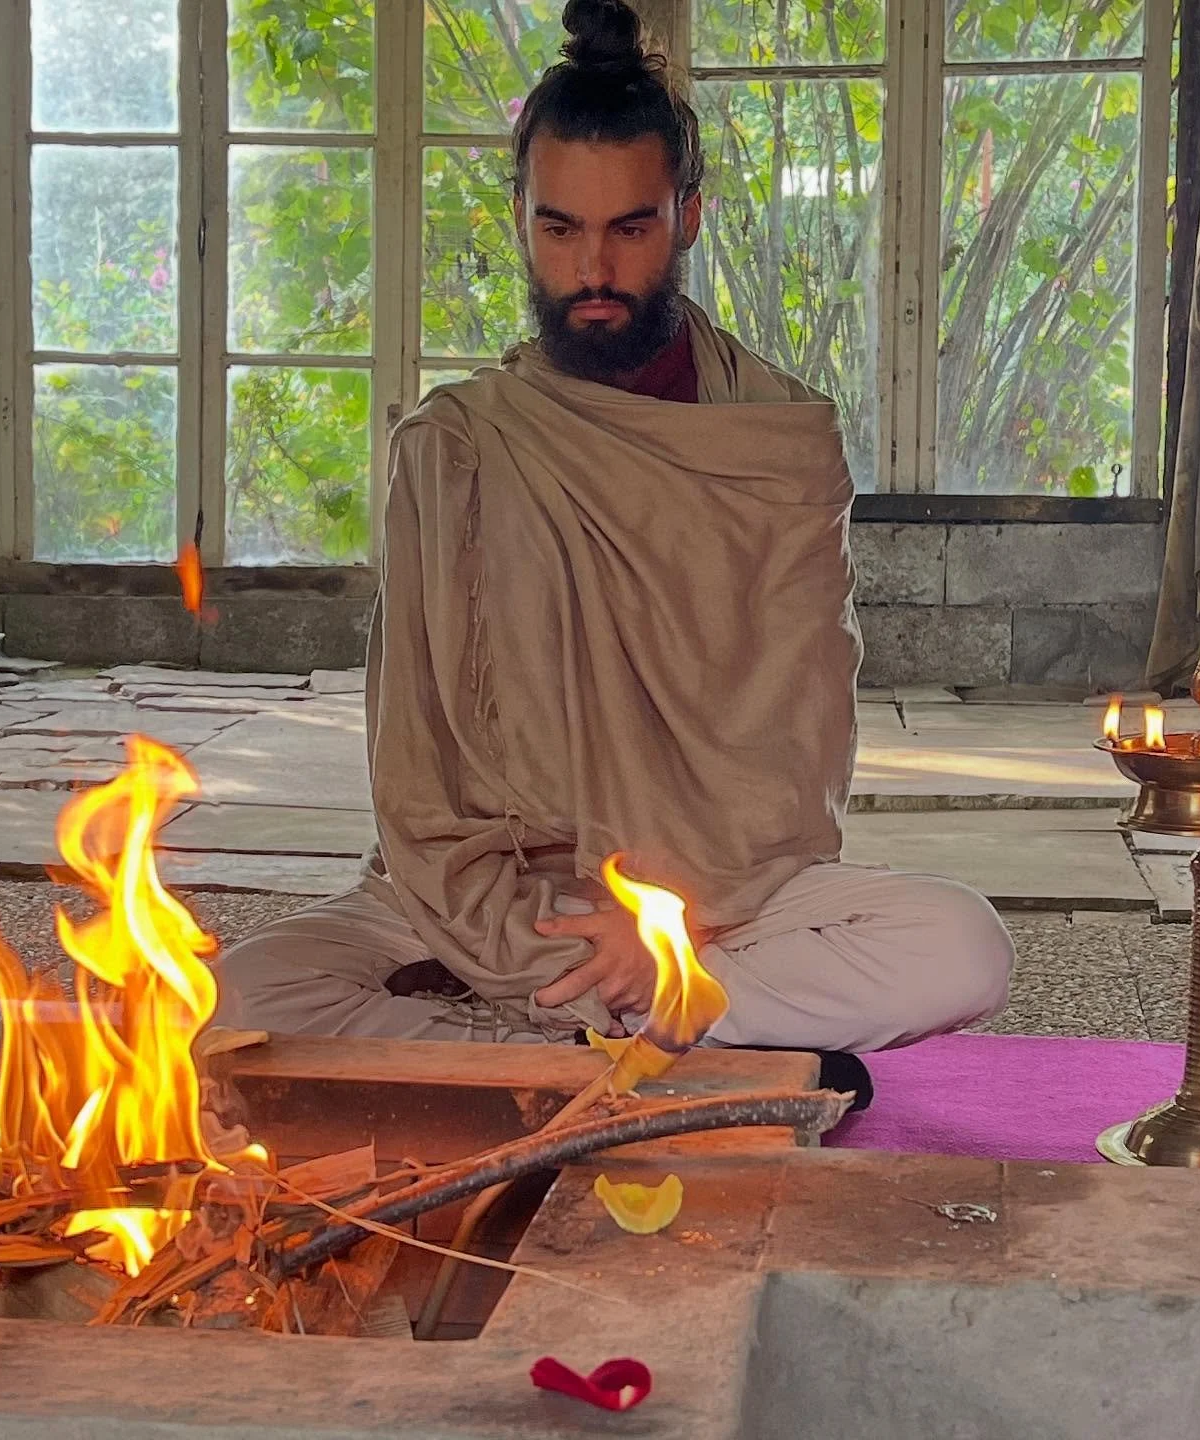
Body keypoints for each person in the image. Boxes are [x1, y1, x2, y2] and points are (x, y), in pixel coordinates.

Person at [214, 0, 1014, 1077]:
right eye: (561, 228)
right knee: (235, 997)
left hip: (722, 900)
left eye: (629, 228)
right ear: (520, 219)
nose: (593, 269)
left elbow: (791, 759)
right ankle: (665, 1055)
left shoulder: (774, 441)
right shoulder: (453, 446)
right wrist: (509, 933)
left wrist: (660, 932)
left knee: (963, 948)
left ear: (687, 217)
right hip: (487, 894)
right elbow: (417, 771)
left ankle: (552, 1051)